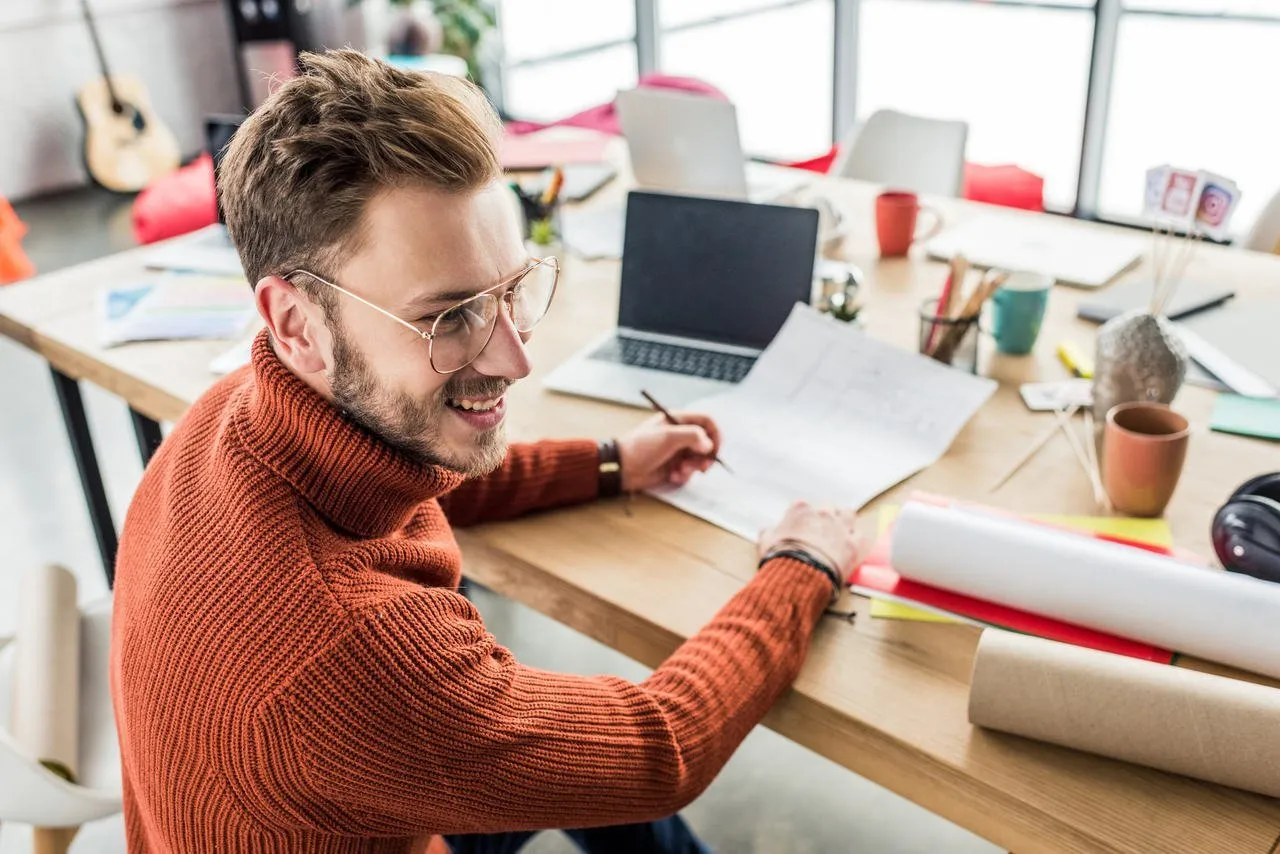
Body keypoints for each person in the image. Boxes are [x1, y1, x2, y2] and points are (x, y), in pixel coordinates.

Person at [110, 49, 864, 854]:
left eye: (512, 290)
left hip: (322, 808)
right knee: (608, 756)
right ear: (297, 324)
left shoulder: (233, 414)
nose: (515, 357)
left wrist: (614, 461)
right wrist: (802, 564)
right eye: (452, 317)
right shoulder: (354, 652)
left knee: (571, 743)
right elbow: (659, 748)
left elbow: (416, 478)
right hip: (368, 779)